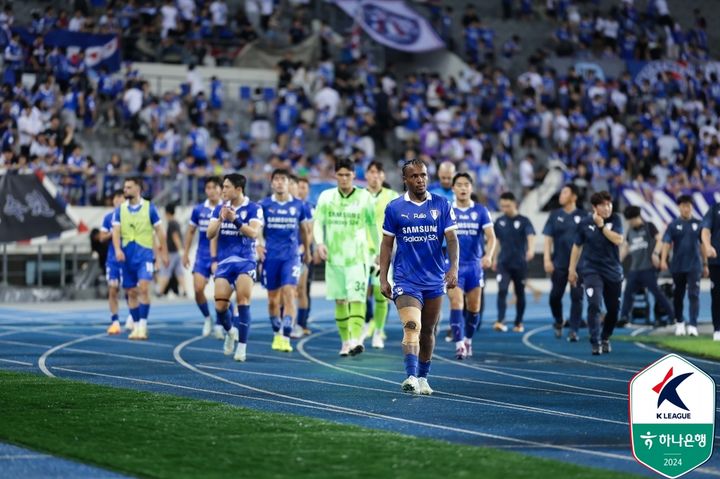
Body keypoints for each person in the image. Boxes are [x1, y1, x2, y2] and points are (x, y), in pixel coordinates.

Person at [379, 158, 459, 395]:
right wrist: (384, 278)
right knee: (412, 326)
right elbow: (386, 245)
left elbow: (452, 239)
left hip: (434, 279)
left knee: (429, 331)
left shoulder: (442, 205)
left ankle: (423, 377)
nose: (420, 180)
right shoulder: (394, 208)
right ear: (405, 180)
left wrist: (453, 268)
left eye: (423, 175)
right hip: (406, 280)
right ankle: (411, 376)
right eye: (414, 176)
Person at [313, 158, 378, 356]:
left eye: (347, 175)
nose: (343, 178)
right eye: (340, 175)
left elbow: (372, 226)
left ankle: (357, 340)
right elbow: (318, 222)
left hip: (358, 258)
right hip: (334, 259)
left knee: (357, 298)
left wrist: (376, 251)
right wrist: (320, 243)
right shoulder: (326, 196)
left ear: (353, 176)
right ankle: (345, 342)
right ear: (335, 175)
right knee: (340, 301)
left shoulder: (365, 197)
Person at [207, 173, 263, 361]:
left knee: (243, 301)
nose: (222, 190)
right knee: (220, 306)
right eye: (223, 187)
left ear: (238, 189)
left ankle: (242, 347)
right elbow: (209, 234)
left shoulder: (254, 208)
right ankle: (231, 332)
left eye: (226, 187)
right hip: (224, 263)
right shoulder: (219, 209)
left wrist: (236, 220)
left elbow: (253, 233)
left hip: (245, 260)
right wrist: (222, 219)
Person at [258, 169, 311, 353]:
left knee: (290, 293)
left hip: (291, 257)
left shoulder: (299, 205)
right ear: (272, 183)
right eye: (277, 179)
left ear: (289, 183)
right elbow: (258, 228)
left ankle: (286, 335)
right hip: (270, 257)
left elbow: (305, 230)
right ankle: (276, 332)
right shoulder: (264, 205)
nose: (280, 182)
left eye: (283, 179)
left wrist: (306, 249)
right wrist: (258, 244)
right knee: (273, 300)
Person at [112, 177, 169, 340]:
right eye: (124, 187)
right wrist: (117, 249)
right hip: (126, 256)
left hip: (144, 255)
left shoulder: (149, 208)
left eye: (129, 187)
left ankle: (143, 325)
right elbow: (116, 231)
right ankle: (136, 325)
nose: (125, 190)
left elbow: (160, 231)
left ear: (138, 188)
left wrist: (163, 253)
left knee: (143, 288)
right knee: (130, 292)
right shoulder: (120, 209)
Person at [569, 191, 624, 355]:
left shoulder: (616, 219)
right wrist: (571, 269)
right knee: (594, 304)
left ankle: (606, 336)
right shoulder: (585, 223)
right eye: (603, 205)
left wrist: (601, 226)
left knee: (614, 310)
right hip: (592, 271)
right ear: (594, 207)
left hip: (613, 272)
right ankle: (595, 340)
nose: (607, 208)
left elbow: (618, 239)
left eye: (609, 204)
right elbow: (577, 246)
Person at [448, 173, 495, 359]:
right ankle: (459, 344)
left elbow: (491, 237)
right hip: (453, 266)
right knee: (457, 303)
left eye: (466, 184)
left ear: (471, 188)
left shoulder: (481, 211)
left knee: (474, 309)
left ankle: (468, 339)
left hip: (475, 266)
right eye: (459, 184)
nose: (462, 188)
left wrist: (488, 255)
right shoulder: (447, 210)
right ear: (453, 188)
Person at [619, 206, 675, 328]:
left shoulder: (649, 226)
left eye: (630, 220)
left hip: (648, 268)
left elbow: (660, 239)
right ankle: (623, 317)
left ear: (636, 218)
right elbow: (626, 246)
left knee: (657, 293)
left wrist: (655, 253)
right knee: (628, 293)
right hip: (634, 269)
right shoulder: (630, 230)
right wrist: (618, 260)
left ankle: (672, 316)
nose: (629, 222)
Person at [362, 161, 398, 349]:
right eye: (371, 172)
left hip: (382, 252)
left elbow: (400, 224)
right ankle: (364, 325)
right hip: (360, 252)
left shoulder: (392, 197)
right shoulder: (359, 196)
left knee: (381, 292)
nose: (374, 175)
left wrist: (390, 250)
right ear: (366, 175)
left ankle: (378, 332)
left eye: (378, 172)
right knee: (359, 293)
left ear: (383, 176)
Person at [543, 184, 586, 341]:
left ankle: (574, 330)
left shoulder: (584, 216)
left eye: (565, 192)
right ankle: (559, 320)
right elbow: (548, 238)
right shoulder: (554, 215)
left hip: (579, 266)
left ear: (574, 196)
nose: (561, 195)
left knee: (577, 297)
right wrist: (547, 259)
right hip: (559, 264)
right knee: (554, 297)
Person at [660, 195, 707, 337]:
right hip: (678, 266)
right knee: (678, 295)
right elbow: (666, 243)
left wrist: (706, 264)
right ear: (679, 207)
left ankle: (693, 325)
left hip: (694, 266)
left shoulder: (699, 223)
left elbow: (703, 245)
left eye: (688, 205)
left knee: (694, 295)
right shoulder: (673, 225)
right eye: (683, 206)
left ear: (691, 207)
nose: (686, 208)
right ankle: (680, 323)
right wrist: (663, 259)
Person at [183, 176, 223, 338]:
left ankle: (220, 324)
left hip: (222, 256)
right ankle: (208, 318)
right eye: (208, 188)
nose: (211, 191)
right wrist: (185, 253)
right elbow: (191, 231)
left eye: (214, 187)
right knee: (198, 289)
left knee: (222, 294)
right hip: (202, 255)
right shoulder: (199, 210)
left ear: (221, 189)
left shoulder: (226, 208)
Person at [492, 192, 535, 333]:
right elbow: (496, 241)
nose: (505, 209)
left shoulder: (524, 221)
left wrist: (531, 250)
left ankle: (518, 322)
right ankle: (500, 320)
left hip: (520, 264)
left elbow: (531, 235)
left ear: (515, 204)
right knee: (502, 290)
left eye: (507, 206)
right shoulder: (499, 221)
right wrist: (493, 257)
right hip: (503, 263)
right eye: (502, 206)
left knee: (520, 292)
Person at [101, 190, 127, 335]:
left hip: (128, 259)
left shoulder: (130, 216)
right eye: (116, 198)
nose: (118, 200)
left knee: (131, 290)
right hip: (113, 259)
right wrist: (114, 232)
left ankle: (133, 318)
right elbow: (101, 237)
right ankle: (115, 321)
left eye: (121, 198)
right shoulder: (108, 218)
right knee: (113, 289)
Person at [293, 176, 314, 336]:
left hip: (303, 253)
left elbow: (310, 231)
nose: (301, 190)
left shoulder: (308, 208)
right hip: (288, 253)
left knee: (303, 289)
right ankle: (288, 322)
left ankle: (301, 323)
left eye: (304, 188)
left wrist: (305, 248)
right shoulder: (291, 206)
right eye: (299, 187)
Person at [156, 204, 186, 297]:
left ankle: (160, 292)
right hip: (177, 252)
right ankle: (185, 291)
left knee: (166, 271)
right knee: (179, 272)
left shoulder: (172, 223)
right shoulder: (176, 222)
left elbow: (175, 237)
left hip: (172, 252)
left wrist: (180, 249)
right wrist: (181, 251)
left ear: (167, 213)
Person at [701, 200, 720, 341]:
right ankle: (717, 330)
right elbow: (705, 230)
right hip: (717, 260)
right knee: (717, 295)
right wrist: (707, 246)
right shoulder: (714, 209)